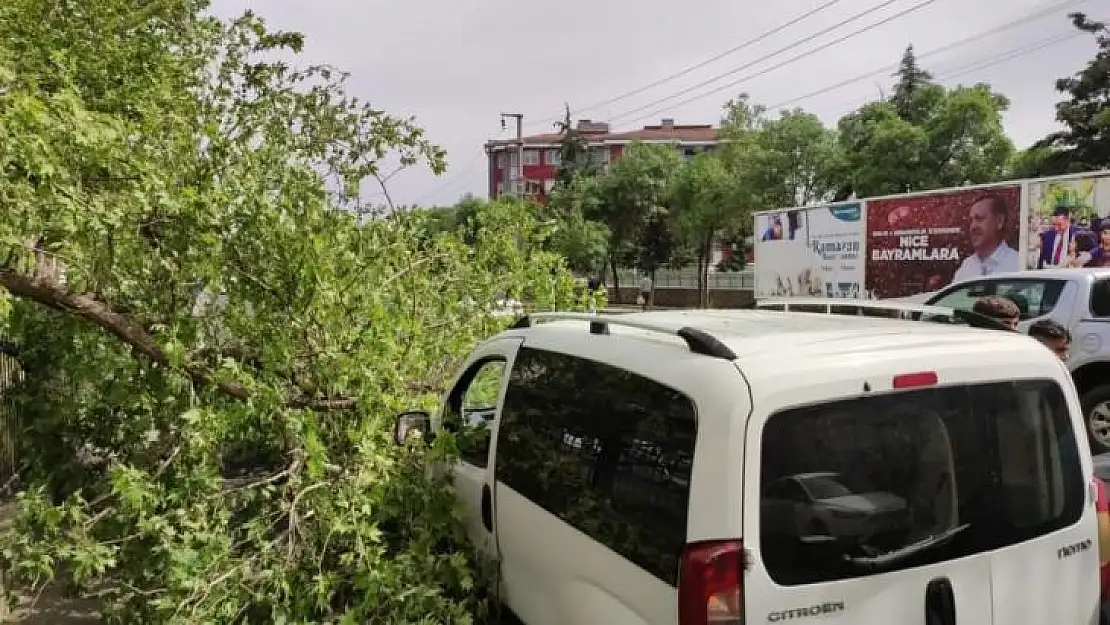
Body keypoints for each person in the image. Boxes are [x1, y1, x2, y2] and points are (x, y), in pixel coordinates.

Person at [952, 194, 1020, 282]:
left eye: (979, 219)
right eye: (971, 221)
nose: (973, 227)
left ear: (999, 221)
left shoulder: (1018, 264)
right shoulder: (967, 266)